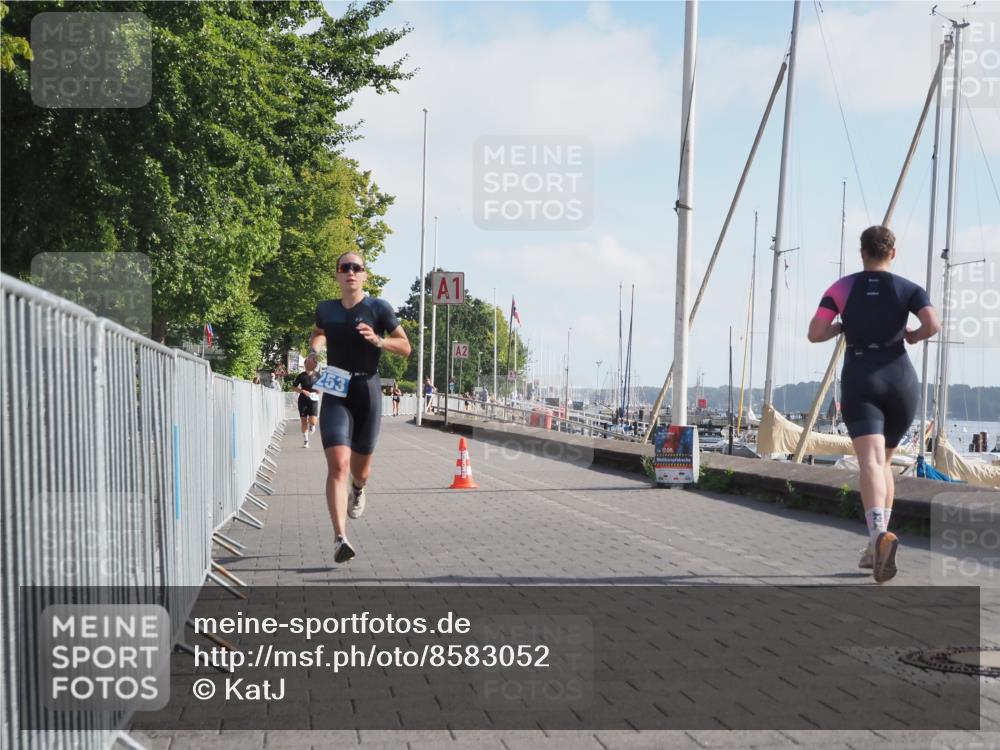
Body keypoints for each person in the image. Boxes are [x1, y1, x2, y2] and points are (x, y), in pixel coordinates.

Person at [808, 226, 939, 583]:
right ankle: (875, 546)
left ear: (861, 252)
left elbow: (815, 332)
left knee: (869, 461)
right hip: (901, 381)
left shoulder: (842, 288)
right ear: (892, 254)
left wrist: (840, 327)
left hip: (862, 376)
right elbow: (932, 324)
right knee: (885, 464)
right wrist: (912, 335)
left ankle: (877, 535)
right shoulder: (910, 288)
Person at [309, 253, 411, 563]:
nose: (350, 272)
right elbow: (319, 333)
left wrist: (380, 342)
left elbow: (405, 347)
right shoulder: (326, 309)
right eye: (344, 268)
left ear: (364, 276)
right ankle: (340, 538)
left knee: (360, 470)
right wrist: (314, 351)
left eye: (357, 268)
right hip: (336, 386)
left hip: (367, 388)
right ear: (337, 275)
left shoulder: (378, 308)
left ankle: (359, 487)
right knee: (338, 464)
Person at [292, 354, 321, 448]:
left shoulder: (317, 375)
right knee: (303, 421)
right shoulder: (301, 376)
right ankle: (306, 441)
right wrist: (302, 391)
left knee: (313, 421)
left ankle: (312, 425)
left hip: (314, 399)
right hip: (303, 399)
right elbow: (293, 387)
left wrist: (319, 390)